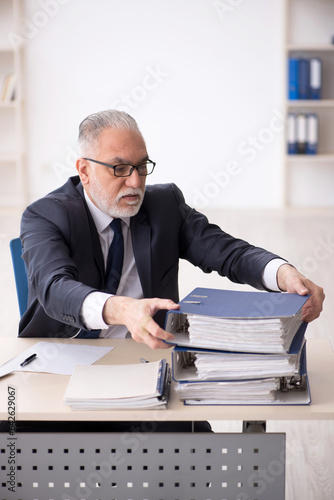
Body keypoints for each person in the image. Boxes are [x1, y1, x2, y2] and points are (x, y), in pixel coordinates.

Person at [18, 110, 325, 345]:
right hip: (61, 360)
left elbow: (227, 252)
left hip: (147, 357)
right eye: (120, 168)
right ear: (84, 170)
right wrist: (122, 309)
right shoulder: (45, 215)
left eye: (141, 166)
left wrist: (282, 273)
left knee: (199, 429)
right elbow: (54, 288)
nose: (136, 182)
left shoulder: (163, 204)